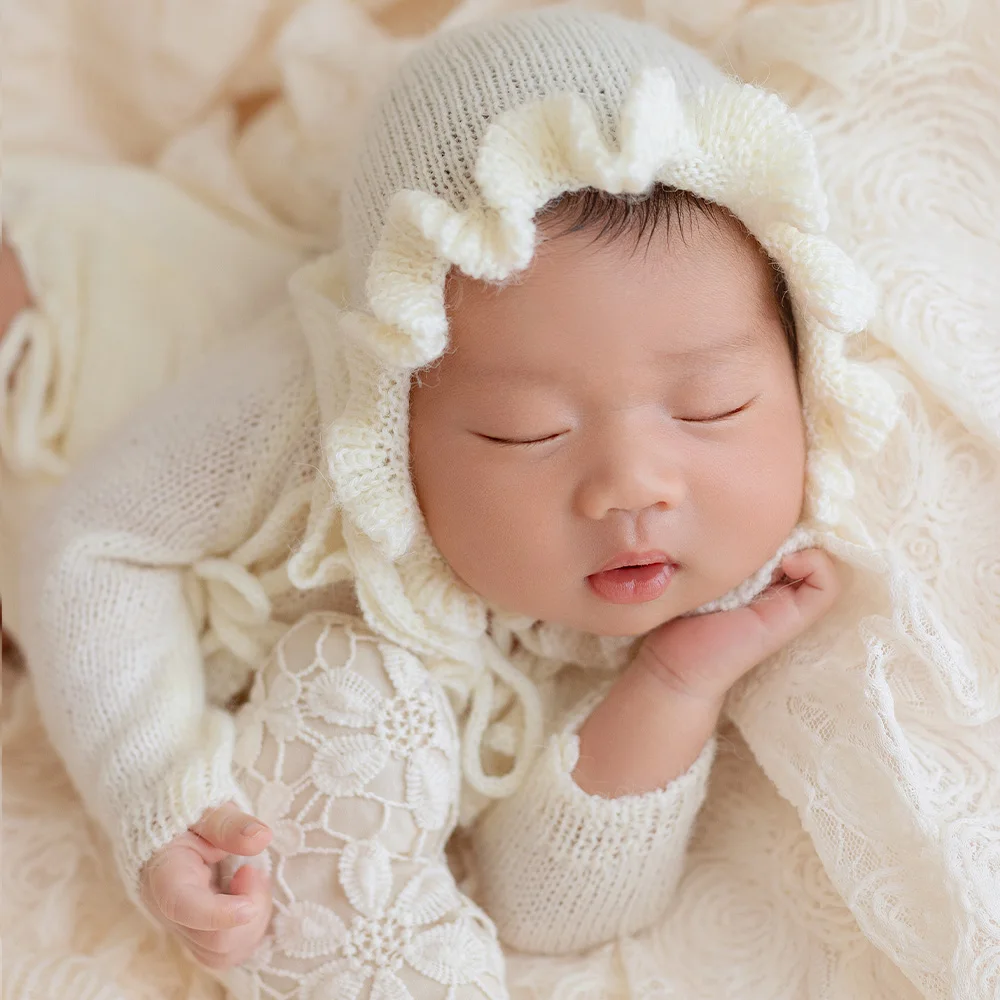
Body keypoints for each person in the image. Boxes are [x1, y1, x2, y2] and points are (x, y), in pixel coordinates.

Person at [16, 8, 897, 999]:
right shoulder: (306, 410)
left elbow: (550, 911)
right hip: (72, 315)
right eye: (527, 430)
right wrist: (157, 791)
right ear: (393, 403)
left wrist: (675, 688)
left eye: (712, 407)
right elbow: (93, 543)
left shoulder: (708, 585)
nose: (633, 484)